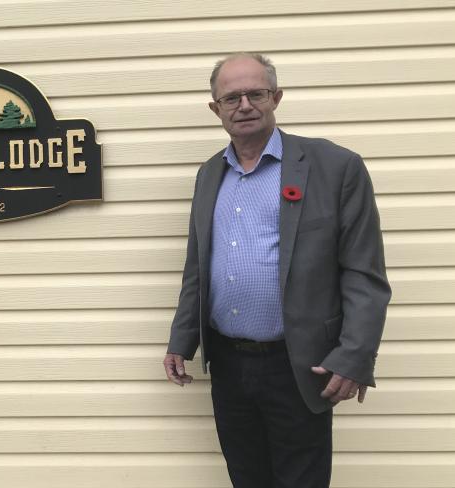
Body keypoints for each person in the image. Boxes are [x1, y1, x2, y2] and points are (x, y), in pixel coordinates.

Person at [162, 53, 391, 487]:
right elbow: (198, 266)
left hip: (300, 363)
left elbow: (364, 272)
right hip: (229, 363)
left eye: (256, 93)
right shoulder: (210, 174)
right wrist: (182, 339)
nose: (244, 105)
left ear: (276, 98)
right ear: (216, 108)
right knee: (247, 478)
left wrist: (356, 355)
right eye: (231, 97)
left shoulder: (335, 167)